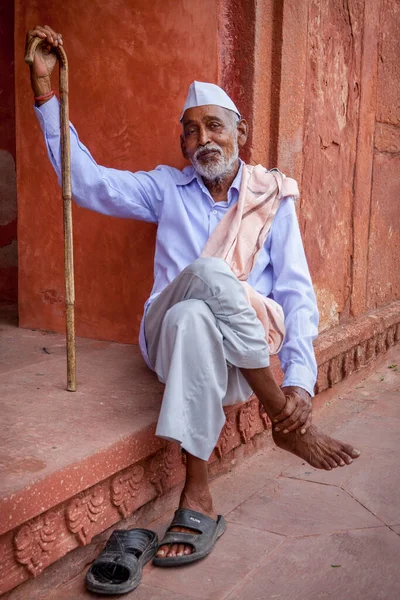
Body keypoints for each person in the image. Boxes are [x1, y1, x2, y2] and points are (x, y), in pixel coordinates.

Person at [27, 25, 360, 566]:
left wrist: (301, 375)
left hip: (232, 356)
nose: (202, 139)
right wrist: (46, 92)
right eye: (191, 131)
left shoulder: (274, 196)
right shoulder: (165, 188)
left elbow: (297, 295)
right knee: (200, 278)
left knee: (196, 319)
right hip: (162, 339)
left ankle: (196, 492)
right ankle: (282, 419)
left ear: (240, 131)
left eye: (214, 127)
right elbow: (85, 181)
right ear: (183, 144)